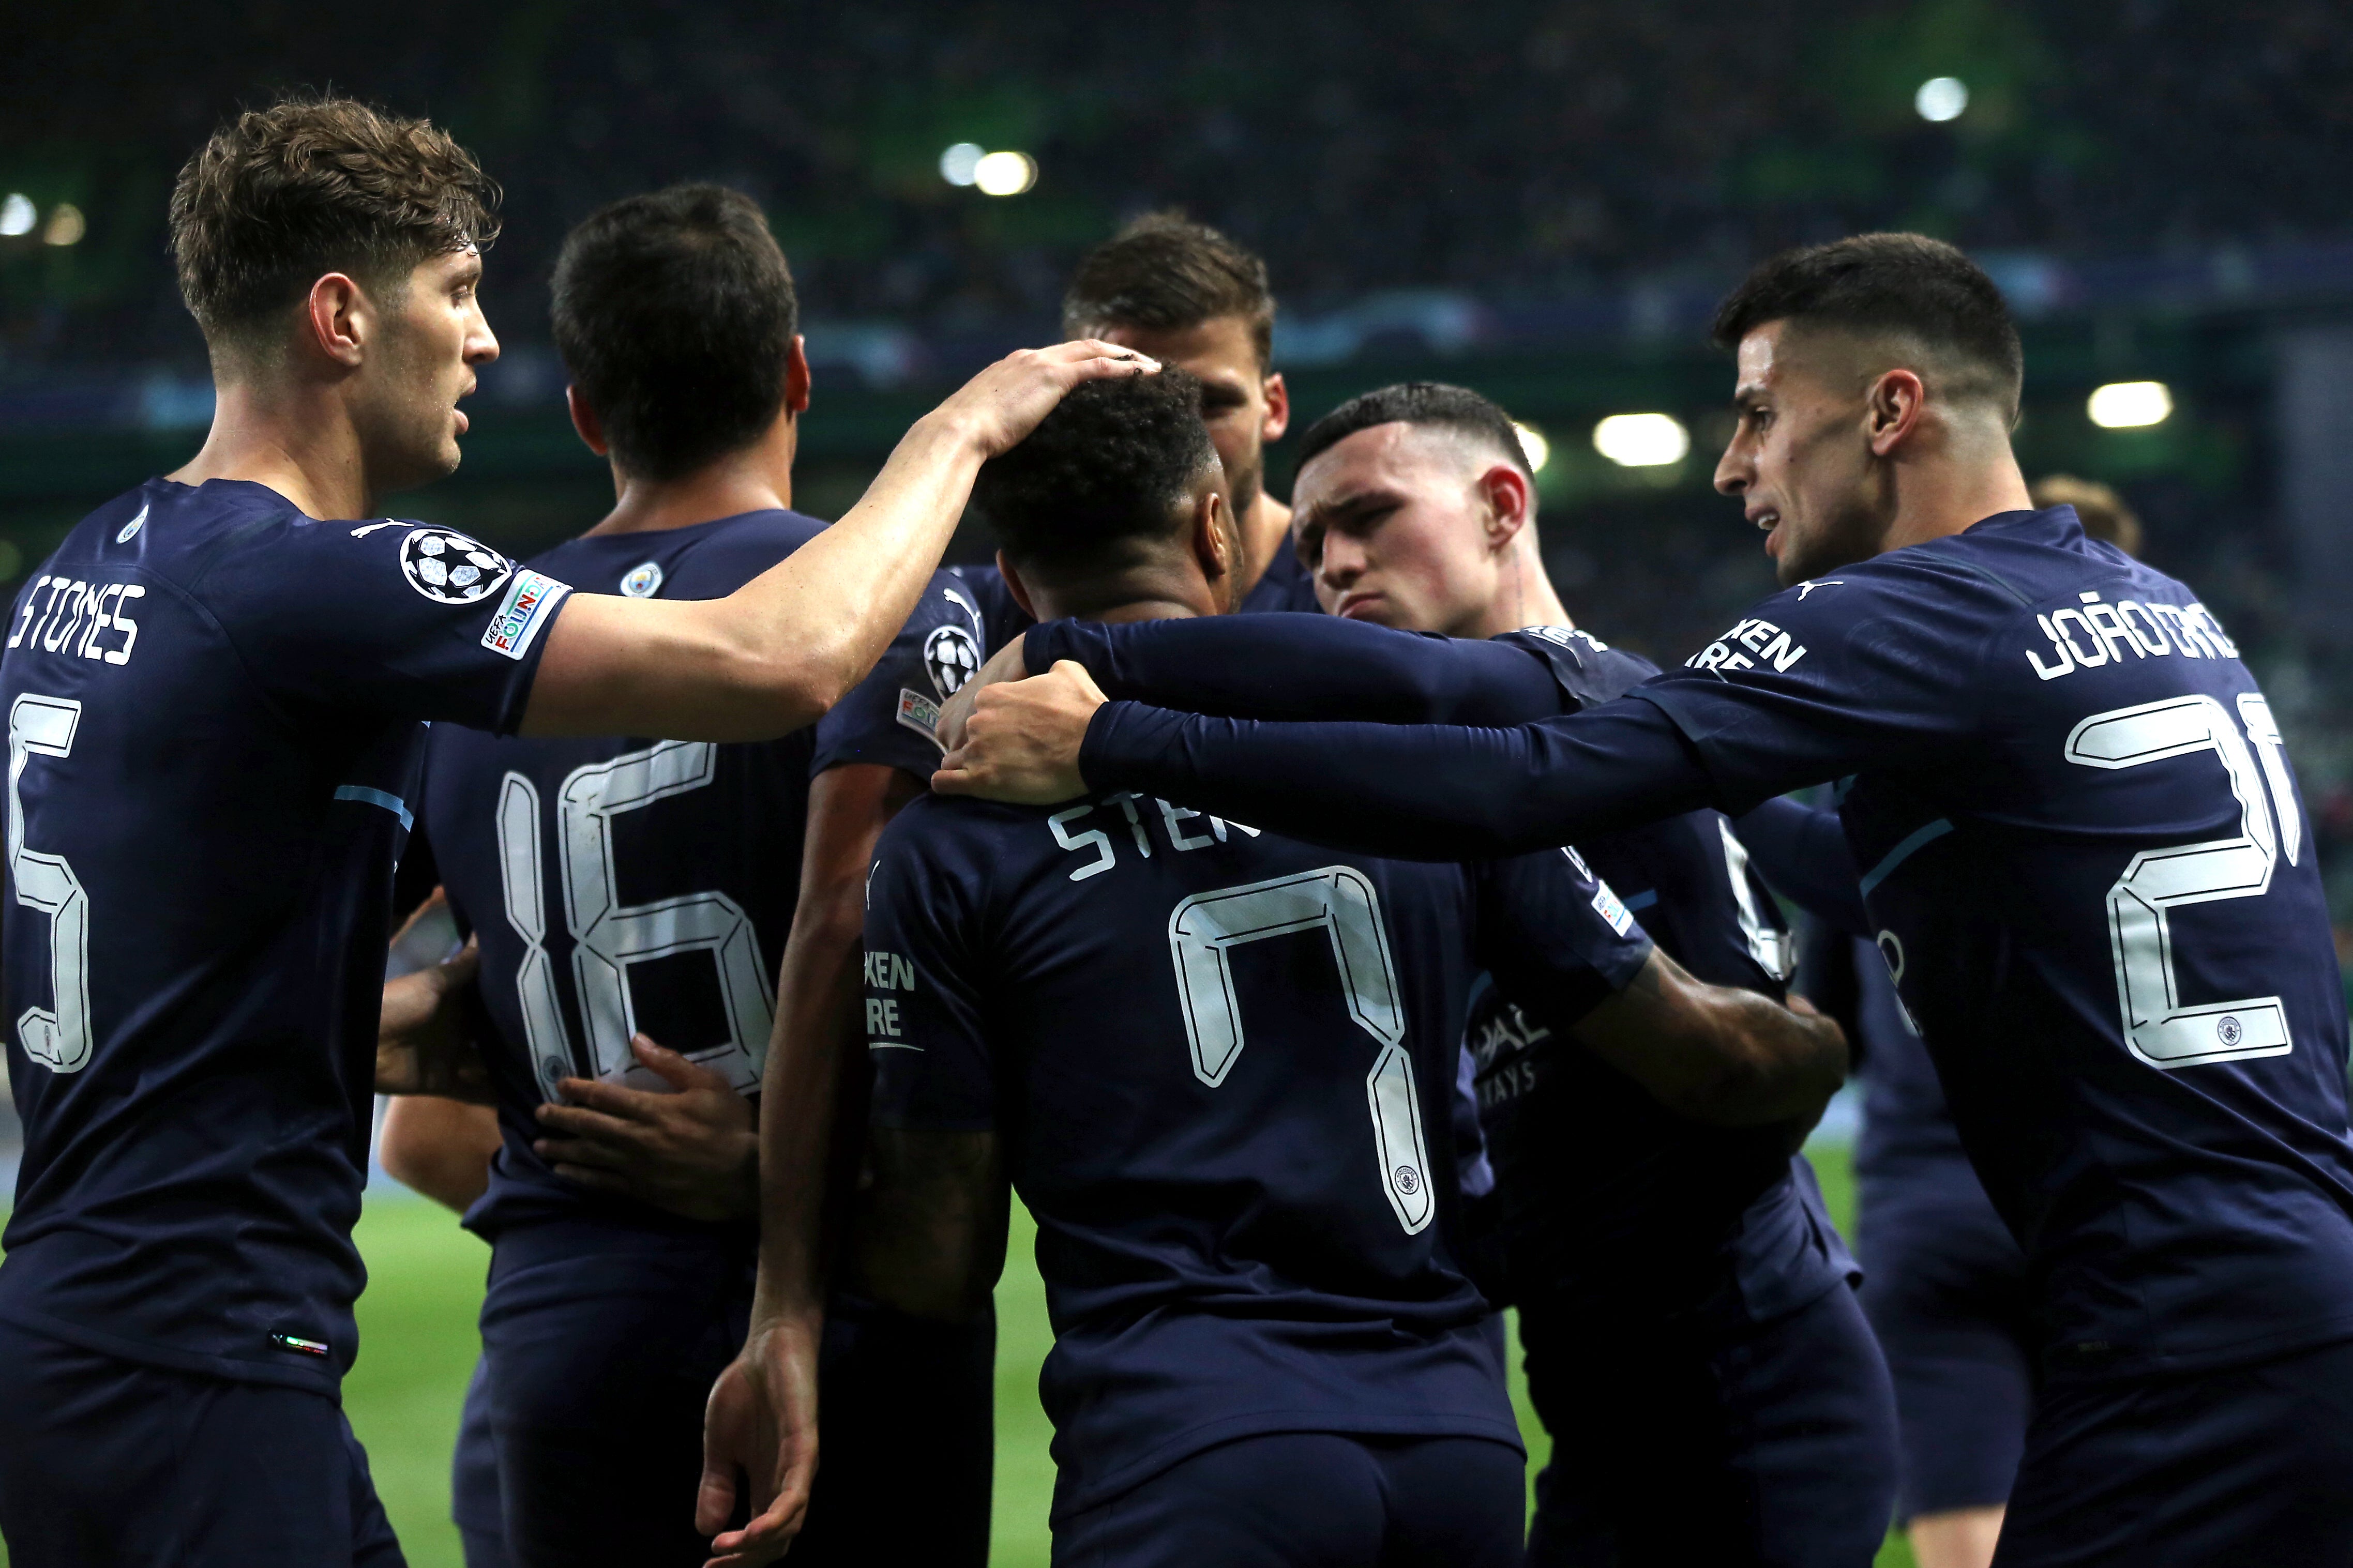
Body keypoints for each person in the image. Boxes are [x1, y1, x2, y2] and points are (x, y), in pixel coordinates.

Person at [934, 233, 2353, 1568]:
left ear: (1887, 409)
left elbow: (1526, 765)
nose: (1732, 467)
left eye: (1754, 414)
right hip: (2281, 1279)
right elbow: (1835, 863)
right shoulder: (2150, 607)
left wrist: (1109, 722)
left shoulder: (1915, 613)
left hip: (2165, 1318)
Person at [0, 95, 1147, 1568]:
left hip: (96, 1322)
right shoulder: (321, 581)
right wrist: (958, 430)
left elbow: (168, 953)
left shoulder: (92, 565)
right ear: (342, 319)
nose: (484, 343)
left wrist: (408, 1013)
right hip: (199, 1346)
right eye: (460, 294)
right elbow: (777, 661)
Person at [705, 369, 1850, 1568]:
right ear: (1213, 525)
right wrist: (1818, 1038)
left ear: (1012, 579)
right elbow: (1715, 1065)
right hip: (1454, 1450)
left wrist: (756, 1201)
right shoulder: (1418, 766)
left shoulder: (950, 842)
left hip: (1187, 1449)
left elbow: (937, 1263)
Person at [403, 184, 994, 1567]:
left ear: (586, 415)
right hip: (826, 1308)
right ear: (794, 375)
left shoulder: (465, 658)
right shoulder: (879, 605)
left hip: (563, 1324)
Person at [1738, 472, 2150, 1568]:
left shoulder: (1890, 774)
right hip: (2126, 1197)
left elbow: (1825, 1026)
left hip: (1933, 1194)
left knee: (1963, 1535)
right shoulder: (2173, 754)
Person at [1062, 211, 1314, 614]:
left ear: (1274, 408)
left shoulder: (1354, 600)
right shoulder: (993, 615)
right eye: (1135, 404)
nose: (1177, 440)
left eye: (1211, 405)